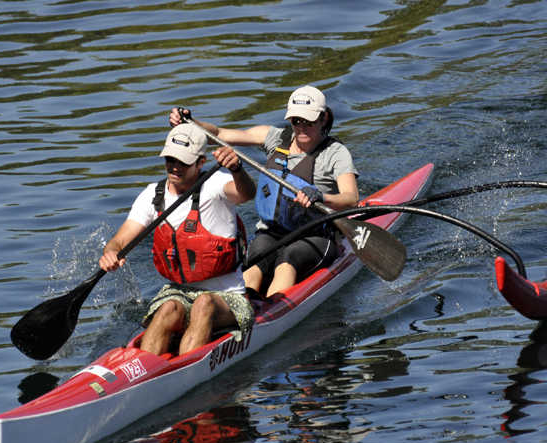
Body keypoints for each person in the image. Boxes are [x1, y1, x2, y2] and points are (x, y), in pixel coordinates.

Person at [169, 85, 359, 298]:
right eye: (296, 121)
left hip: (316, 235)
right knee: (257, 255)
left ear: (323, 119)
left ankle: (271, 311)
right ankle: (239, 308)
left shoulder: (336, 153)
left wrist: (322, 197)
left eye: (309, 121)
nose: (301, 128)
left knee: (289, 257)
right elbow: (220, 134)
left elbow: (351, 198)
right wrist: (191, 123)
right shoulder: (276, 138)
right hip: (272, 232)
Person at [99, 123, 256, 356]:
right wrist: (110, 252)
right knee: (167, 308)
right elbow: (120, 240)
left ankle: (186, 370)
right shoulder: (153, 195)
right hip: (180, 294)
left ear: (200, 163)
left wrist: (237, 169)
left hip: (229, 298)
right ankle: (145, 370)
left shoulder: (215, 184)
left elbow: (247, 193)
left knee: (203, 304)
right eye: (170, 160)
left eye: (183, 162)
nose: (174, 167)